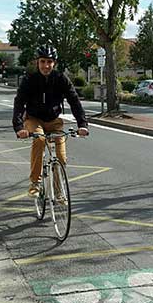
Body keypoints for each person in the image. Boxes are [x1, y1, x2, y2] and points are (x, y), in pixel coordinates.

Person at [13, 46, 89, 197]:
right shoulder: (29, 80)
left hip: (54, 121)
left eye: (49, 62)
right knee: (39, 139)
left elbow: (74, 101)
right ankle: (35, 183)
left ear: (54, 63)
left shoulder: (61, 79)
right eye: (42, 61)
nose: (46, 66)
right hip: (34, 119)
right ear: (37, 62)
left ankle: (58, 190)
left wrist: (82, 124)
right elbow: (19, 103)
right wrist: (19, 127)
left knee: (60, 157)